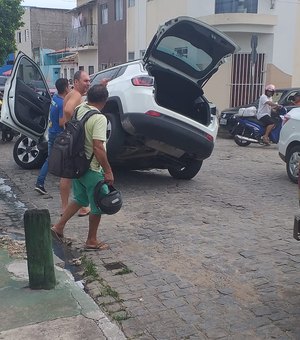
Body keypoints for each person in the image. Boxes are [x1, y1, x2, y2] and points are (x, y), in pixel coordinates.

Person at [51, 84, 114, 250]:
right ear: (105, 101)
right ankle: (91, 240)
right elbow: (98, 147)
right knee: (99, 203)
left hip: (78, 165)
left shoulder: (79, 109)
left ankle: (58, 228)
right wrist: (108, 170)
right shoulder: (99, 119)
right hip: (92, 168)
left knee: (80, 199)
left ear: (89, 97)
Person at [60, 70, 91, 216]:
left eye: (89, 81)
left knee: (69, 174)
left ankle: (73, 206)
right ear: (76, 82)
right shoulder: (77, 95)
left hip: (68, 136)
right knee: (71, 174)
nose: (88, 84)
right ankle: (69, 207)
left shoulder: (71, 94)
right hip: (73, 138)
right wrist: (75, 127)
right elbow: (67, 110)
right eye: (85, 81)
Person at [34, 78, 70, 195]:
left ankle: (40, 182)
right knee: (66, 158)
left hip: (51, 131)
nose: (70, 88)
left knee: (50, 159)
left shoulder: (55, 98)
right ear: (65, 88)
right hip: (58, 134)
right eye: (68, 86)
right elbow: (61, 122)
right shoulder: (61, 103)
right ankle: (65, 182)